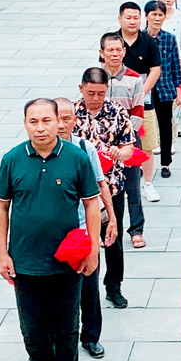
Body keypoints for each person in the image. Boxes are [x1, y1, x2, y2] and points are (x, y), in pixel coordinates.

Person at [0, 98, 100, 361]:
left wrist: (92, 249)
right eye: (33, 121)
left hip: (67, 259)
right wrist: (3, 253)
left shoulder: (76, 158)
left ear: (59, 122)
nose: (40, 127)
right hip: (25, 259)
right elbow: (1, 206)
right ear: (25, 123)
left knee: (67, 322)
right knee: (33, 325)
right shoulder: (12, 160)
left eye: (46, 121)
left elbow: (92, 204)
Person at [55, 97, 116, 359]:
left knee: (89, 288)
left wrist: (111, 217)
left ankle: (91, 337)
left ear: (74, 120)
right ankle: (60, 338)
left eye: (66, 118)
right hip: (52, 234)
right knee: (57, 291)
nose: (60, 124)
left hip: (82, 231)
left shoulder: (84, 148)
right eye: (55, 118)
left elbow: (101, 185)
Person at [74, 67, 135, 311]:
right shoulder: (70, 112)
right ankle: (81, 283)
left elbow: (130, 147)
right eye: (91, 93)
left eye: (101, 93)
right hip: (79, 189)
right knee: (81, 237)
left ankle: (114, 286)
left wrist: (119, 153)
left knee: (113, 236)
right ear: (81, 89)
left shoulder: (117, 111)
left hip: (111, 185)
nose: (96, 98)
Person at [100, 32, 154, 242]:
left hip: (129, 140)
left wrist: (121, 138)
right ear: (101, 53)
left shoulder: (134, 78)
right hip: (102, 144)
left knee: (132, 187)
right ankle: (107, 228)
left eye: (118, 49)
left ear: (124, 52)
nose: (115, 54)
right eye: (110, 50)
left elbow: (138, 112)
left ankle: (136, 230)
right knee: (104, 186)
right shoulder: (95, 77)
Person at [145, 0, 181, 179]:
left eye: (161, 15)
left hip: (165, 88)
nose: (157, 18)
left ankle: (165, 163)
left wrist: (179, 91)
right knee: (143, 127)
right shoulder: (140, 38)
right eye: (154, 14)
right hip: (145, 90)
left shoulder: (169, 38)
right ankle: (141, 163)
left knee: (165, 126)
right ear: (146, 16)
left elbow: (176, 66)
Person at [111, 2, 161, 104]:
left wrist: (141, 93)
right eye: (128, 18)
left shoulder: (149, 42)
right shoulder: (111, 41)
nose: (132, 22)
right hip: (116, 97)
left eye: (136, 18)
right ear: (119, 19)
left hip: (144, 98)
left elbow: (155, 70)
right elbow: (105, 66)